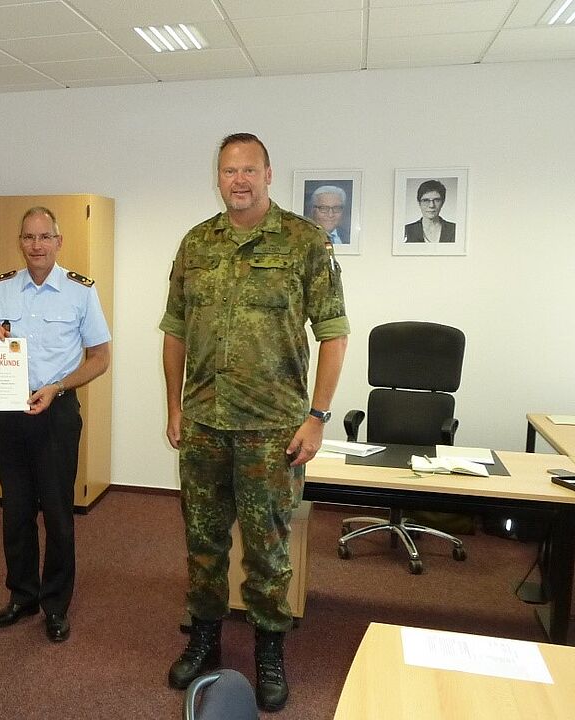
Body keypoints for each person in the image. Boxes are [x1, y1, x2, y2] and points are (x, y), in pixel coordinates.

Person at [161, 134, 349, 711]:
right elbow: (174, 332)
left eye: (248, 170)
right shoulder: (196, 243)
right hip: (204, 426)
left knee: (269, 549)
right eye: (227, 171)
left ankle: (270, 649)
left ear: (269, 173)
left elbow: (335, 335)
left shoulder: (305, 242)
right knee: (203, 541)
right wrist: (174, 407)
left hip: (273, 430)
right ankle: (207, 640)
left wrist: (316, 417)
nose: (237, 180)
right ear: (217, 177)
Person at [0, 206, 111, 643]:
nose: (36, 245)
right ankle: (22, 596)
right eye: (28, 238)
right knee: (15, 510)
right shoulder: (2, 289)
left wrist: (56, 387)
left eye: (44, 237)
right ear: (21, 242)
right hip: (9, 411)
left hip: (56, 412)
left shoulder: (80, 292)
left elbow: (99, 359)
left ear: (58, 242)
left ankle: (55, 604)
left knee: (56, 511)